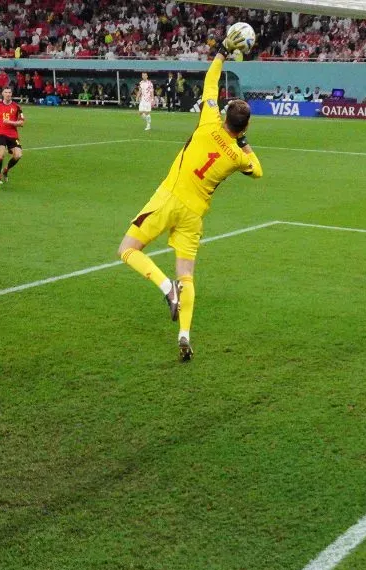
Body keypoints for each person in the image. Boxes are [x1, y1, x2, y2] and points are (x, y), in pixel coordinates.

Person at [116, 27, 263, 362]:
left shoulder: (208, 121)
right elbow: (257, 170)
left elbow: (211, 83)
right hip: (194, 215)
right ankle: (184, 334)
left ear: (224, 115)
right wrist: (243, 143)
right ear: (244, 127)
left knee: (127, 250)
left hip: (170, 198)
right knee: (188, 274)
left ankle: (166, 289)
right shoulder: (239, 156)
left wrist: (223, 51)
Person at [0, 87, 24, 185]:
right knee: (1, 154)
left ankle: (6, 170)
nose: (8, 94)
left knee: (18, 155)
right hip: (0, 133)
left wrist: (10, 122)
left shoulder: (17, 107)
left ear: (11, 94)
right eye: (6, 92)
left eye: (9, 92)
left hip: (13, 135)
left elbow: (21, 123)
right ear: (2, 94)